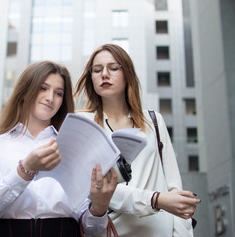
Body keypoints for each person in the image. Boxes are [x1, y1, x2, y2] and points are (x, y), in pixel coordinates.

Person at [0, 60, 118, 237]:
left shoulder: (74, 148)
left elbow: (92, 229)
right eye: (43, 88)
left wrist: (99, 207)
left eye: (58, 93)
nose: (50, 98)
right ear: (25, 90)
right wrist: (25, 169)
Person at [74, 44, 201, 237]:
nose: (104, 74)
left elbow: (175, 189)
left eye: (113, 68)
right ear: (91, 78)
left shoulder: (153, 120)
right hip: (112, 231)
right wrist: (156, 200)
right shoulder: (84, 123)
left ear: (127, 74)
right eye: (97, 70)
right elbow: (97, 190)